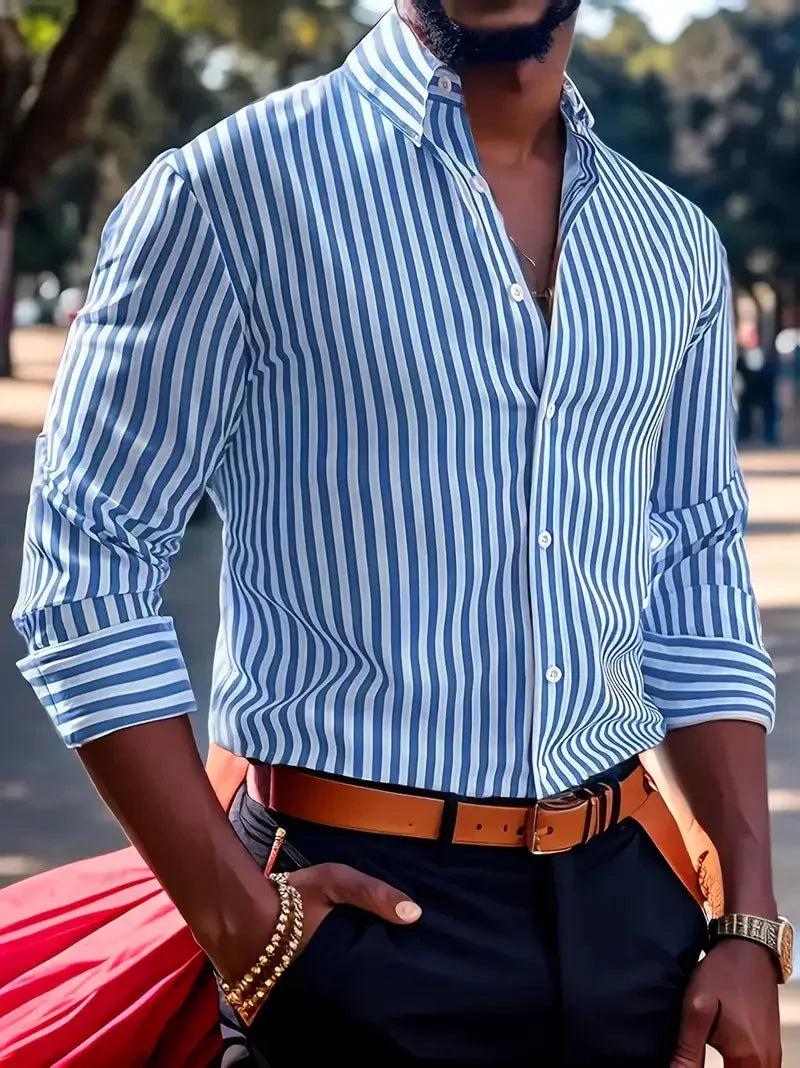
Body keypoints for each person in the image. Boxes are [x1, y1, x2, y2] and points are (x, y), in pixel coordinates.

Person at [11, 2, 788, 1066]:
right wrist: (237, 918)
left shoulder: (671, 245)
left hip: (627, 922)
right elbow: (86, 561)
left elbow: (695, 568)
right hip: (348, 922)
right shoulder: (229, 193)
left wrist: (749, 923)